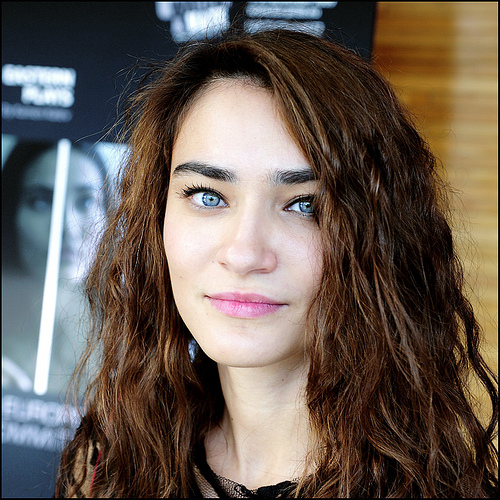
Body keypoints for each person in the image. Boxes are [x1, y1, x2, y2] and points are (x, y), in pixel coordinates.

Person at [54, 28, 498, 497]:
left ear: (379, 241)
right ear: (156, 217)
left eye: (304, 205)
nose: (244, 254)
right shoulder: (106, 467)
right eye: (208, 196)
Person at [2, 139, 108, 393]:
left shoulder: (139, 343)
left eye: (86, 202)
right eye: (41, 202)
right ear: (9, 214)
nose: (67, 229)